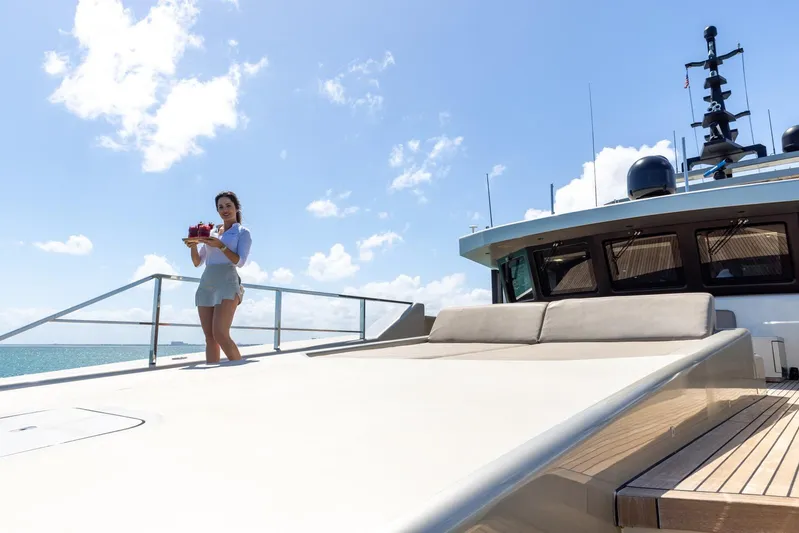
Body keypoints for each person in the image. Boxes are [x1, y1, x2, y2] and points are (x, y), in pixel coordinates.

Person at [185, 191, 252, 364]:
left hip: (227, 281)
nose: (225, 210)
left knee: (220, 334)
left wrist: (221, 246)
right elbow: (197, 262)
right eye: (220, 207)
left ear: (236, 208)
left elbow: (240, 261)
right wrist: (193, 245)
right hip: (207, 281)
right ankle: (211, 377)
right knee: (210, 337)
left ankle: (241, 372)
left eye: (228, 205)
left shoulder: (242, 232)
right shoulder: (211, 232)